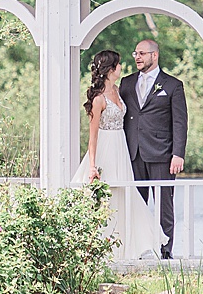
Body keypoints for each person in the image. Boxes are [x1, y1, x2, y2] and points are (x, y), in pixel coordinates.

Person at [71, 49, 164, 259]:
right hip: (106, 148)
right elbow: (92, 136)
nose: (122, 67)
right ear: (111, 69)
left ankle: (127, 248)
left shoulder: (119, 90)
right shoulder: (98, 99)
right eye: (119, 64)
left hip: (121, 146)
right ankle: (104, 249)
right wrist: (93, 165)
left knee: (125, 195)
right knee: (108, 196)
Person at [119, 39, 188, 259]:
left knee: (164, 206)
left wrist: (178, 154)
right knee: (135, 204)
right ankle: (135, 249)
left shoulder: (172, 85)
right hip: (133, 153)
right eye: (135, 53)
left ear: (154, 55)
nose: (137, 57)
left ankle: (166, 251)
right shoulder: (126, 83)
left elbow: (180, 122)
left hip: (162, 154)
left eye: (141, 53)